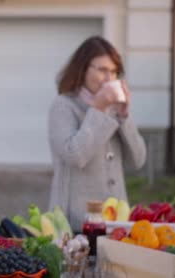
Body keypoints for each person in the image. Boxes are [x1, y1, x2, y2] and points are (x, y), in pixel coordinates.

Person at [47, 36, 146, 232]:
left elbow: (138, 160)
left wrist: (124, 116)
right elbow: (75, 155)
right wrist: (98, 109)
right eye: (102, 70)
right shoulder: (63, 106)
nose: (109, 78)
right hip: (75, 221)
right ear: (83, 69)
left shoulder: (113, 109)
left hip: (116, 221)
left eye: (114, 72)